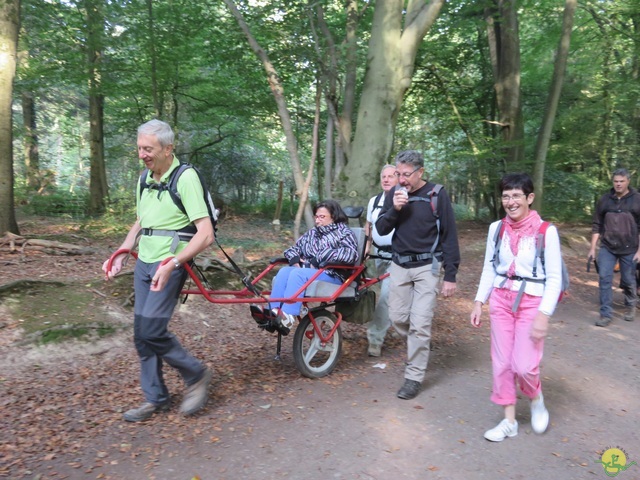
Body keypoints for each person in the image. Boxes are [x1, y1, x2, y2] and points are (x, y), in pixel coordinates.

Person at [102, 119, 214, 422]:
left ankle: (197, 375)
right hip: (144, 262)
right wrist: (123, 252)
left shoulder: (186, 177)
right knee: (142, 334)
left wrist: (175, 263)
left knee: (151, 330)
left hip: (171, 263)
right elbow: (142, 221)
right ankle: (156, 397)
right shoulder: (144, 178)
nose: (142, 154)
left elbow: (206, 234)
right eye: (139, 148)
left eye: (148, 149)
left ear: (168, 148)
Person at [470, 173, 562, 442]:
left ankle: (536, 397)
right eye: (506, 196)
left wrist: (544, 315)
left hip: (532, 301)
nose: (510, 202)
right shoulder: (496, 229)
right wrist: (479, 301)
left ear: (529, 198)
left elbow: (554, 278)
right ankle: (508, 421)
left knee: (524, 366)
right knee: (501, 363)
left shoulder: (547, 232)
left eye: (516, 196)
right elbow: (489, 266)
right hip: (500, 298)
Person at [375, 150, 460, 400]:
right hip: (399, 265)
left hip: (427, 267)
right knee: (398, 318)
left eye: (406, 174)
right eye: (398, 174)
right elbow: (381, 228)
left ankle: (413, 377)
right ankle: (420, 342)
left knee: (420, 324)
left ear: (420, 172)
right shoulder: (394, 194)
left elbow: (449, 235)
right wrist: (395, 209)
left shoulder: (437, 195)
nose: (401, 179)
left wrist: (450, 274)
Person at [268, 199, 359, 334]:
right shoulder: (313, 233)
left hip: (333, 274)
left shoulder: (344, 232)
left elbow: (351, 254)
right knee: (284, 271)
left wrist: (320, 258)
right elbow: (294, 249)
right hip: (310, 272)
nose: (317, 221)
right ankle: (273, 311)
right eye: (316, 216)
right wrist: (295, 260)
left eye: (322, 217)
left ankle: (288, 316)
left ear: (333, 217)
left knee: (297, 274)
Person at [588, 168, 640, 327]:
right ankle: (605, 314)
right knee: (604, 277)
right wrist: (592, 248)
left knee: (628, 279)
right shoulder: (605, 200)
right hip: (608, 246)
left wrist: (639, 251)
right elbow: (597, 225)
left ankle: (631, 305)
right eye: (616, 181)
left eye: (621, 181)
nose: (618, 184)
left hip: (630, 247)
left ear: (628, 182)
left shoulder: (637, 199)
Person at [364, 164, 397, 357]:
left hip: (398, 257)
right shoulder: (374, 201)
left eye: (390, 176)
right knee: (390, 296)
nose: (385, 179)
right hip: (379, 256)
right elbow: (369, 226)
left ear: (398, 178)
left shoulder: (402, 200)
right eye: (383, 176)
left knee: (386, 297)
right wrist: (367, 247)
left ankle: (375, 339)